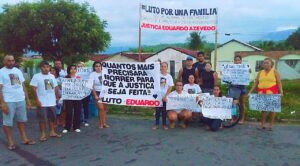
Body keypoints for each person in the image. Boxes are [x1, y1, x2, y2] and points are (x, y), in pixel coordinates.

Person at [0, 55, 36, 150]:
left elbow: (22, 85)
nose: (11, 62)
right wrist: (2, 103)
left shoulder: (17, 70)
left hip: (20, 99)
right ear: (4, 61)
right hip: (8, 100)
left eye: (12, 60)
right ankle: (10, 142)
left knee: (21, 120)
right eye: (8, 61)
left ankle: (24, 139)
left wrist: (27, 100)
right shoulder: (1, 72)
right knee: (8, 122)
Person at [248, 58, 283, 131]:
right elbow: (256, 83)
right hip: (262, 93)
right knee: (263, 109)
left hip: (272, 93)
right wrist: (250, 91)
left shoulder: (275, 72)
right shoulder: (260, 72)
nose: (265, 64)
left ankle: (271, 125)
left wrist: (281, 92)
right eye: (264, 63)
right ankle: (263, 125)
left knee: (272, 109)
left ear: (271, 64)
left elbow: (279, 82)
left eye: (267, 63)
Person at [30, 61, 61, 142]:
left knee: (52, 118)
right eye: (44, 67)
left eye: (47, 67)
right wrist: (37, 100)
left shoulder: (52, 76)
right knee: (42, 119)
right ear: (41, 68)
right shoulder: (36, 76)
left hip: (52, 101)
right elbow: (33, 89)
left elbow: (56, 87)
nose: (46, 69)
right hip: (42, 102)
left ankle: (52, 132)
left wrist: (56, 97)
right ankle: (43, 134)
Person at [152, 62, 174, 130]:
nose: (163, 68)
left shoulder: (169, 76)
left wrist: (165, 96)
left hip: (165, 96)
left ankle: (164, 124)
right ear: (160, 67)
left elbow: (170, 87)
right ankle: (156, 124)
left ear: (167, 68)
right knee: (157, 111)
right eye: (162, 66)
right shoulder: (156, 75)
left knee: (164, 111)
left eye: (165, 66)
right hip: (157, 96)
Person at [228, 55, 249, 124]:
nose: (237, 61)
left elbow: (248, 75)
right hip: (233, 88)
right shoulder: (230, 69)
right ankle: (233, 118)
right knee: (233, 104)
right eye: (235, 60)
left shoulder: (244, 68)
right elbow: (227, 77)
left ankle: (242, 118)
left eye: (238, 60)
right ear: (234, 61)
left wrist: (248, 70)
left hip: (241, 88)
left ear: (241, 61)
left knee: (242, 104)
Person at [89, 61, 109, 129]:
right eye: (96, 66)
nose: (98, 67)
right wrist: (95, 95)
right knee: (101, 108)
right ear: (94, 67)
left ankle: (104, 123)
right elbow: (92, 85)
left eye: (99, 66)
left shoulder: (105, 73)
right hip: (97, 92)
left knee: (105, 109)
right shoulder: (92, 74)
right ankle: (100, 123)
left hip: (105, 92)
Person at [62, 64, 82, 133]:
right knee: (69, 112)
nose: (73, 70)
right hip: (68, 97)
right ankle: (67, 127)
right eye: (71, 69)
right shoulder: (66, 78)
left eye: (74, 69)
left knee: (77, 111)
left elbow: (81, 87)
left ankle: (76, 126)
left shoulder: (79, 77)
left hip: (77, 97)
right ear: (69, 70)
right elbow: (64, 88)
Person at [77, 62, 90, 127]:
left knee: (86, 106)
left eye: (82, 66)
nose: (80, 68)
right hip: (78, 92)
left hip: (86, 92)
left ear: (84, 66)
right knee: (79, 106)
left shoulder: (88, 72)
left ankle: (86, 119)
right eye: (79, 67)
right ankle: (80, 119)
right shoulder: (75, 73)